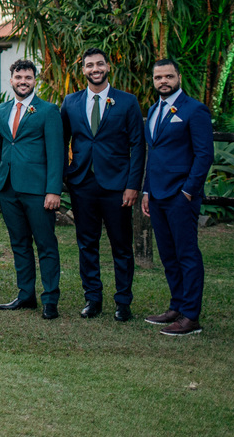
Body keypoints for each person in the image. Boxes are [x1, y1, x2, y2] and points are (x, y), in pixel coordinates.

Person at [60, 48, 145, 321]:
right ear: (83, 70)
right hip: (82, 183)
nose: (95, 69)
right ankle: (93, 298)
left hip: (117, 186)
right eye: (89, 65)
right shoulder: (70, 102)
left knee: (121, 245)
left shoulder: (127, 102)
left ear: (108, 67)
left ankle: (123, 302)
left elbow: (138, 145)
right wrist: (66, 174)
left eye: (99, 64)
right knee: (87, 244)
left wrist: (133, 185)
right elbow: (61, 140)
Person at [142, 58, 214, 336]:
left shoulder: (194, 110)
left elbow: (204, 155)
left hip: (181, 196)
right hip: (157, 195)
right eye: (158, 77)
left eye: (168, 76)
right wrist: (146, 190)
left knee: (187, 254)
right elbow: (154, 154)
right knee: (168, 255)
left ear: (178, 78)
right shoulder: (153, 109)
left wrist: (188, 191)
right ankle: (176, 306)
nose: (163, 81)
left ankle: (191, 316)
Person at [0, 59, 64, 319]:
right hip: (8, 187)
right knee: (19, 243)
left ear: (35, 80)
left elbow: (56, 152)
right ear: (11, 80)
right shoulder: (1, 110)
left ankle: (50, 300)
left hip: (38, 190)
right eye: (19, 77)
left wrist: (53, 190)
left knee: (45, 244)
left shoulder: (48, 110)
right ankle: (25, 295)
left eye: (28, 78)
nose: (23, 82)